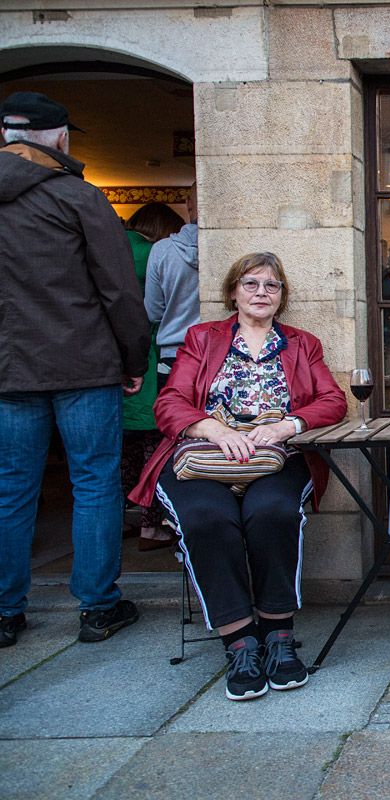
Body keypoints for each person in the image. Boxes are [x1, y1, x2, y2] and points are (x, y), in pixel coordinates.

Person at [130, 252, 347, 700]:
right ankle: (240, 642)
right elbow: (169, 402)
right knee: (207, 520)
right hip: (204, 456)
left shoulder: (302, 343)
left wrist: (286, 426)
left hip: (275, 457)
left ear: (282, 296)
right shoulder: (202, 338)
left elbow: (333, 401)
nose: (262, 293)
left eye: (272, 286)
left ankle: (278, 636)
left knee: (272, 512)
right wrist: (213, 428)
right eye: (251, 284)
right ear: (233, 291)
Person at [0, 91, 151, 647]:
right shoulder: (79, 198)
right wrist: (134, 359)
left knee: (10, 490)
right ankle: (98, 606)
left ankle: (4, 612)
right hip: (84, 367)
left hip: (9, 372)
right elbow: (119, 290)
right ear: (60, 137)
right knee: (93, 484)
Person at [121, 202, 185, 551]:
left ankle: (113, 520)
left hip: (110, 359)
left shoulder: (113, 246)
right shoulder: (155, 252)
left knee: (119, 453)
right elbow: (153, 310)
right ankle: (152, 524)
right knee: (155, 446)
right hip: (148, 356)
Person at [144, 182, 199, 379]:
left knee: (174, 409)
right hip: (219, 351)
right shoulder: (232, 247)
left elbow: (153, 311)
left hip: (173, 353)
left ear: (188, 204)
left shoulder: (162, 250)